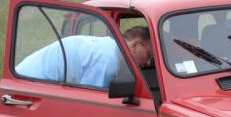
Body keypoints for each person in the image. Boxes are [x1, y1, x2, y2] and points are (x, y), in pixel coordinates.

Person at [16, 26, 152, 87]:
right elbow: (91, 102)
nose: (148, 62)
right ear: (135, 46)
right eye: (149, 54)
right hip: (29, 84)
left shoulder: (109, 48)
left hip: (31, 81)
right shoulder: (108, 60)